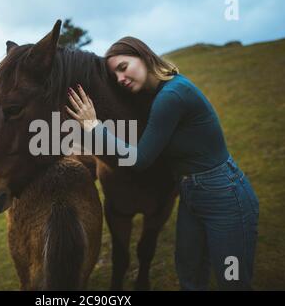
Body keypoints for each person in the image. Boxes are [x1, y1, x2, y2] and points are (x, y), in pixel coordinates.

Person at [65, 36, 259, 291]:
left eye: (123, 67)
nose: (121, 79)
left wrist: (94, 126)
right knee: (189, 274)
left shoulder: (173, 95)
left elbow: (141, 158)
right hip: (192, 192)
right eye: (116, 77)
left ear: (144, 56)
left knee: (232, 280)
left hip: (224, 191)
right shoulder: (155, 96)